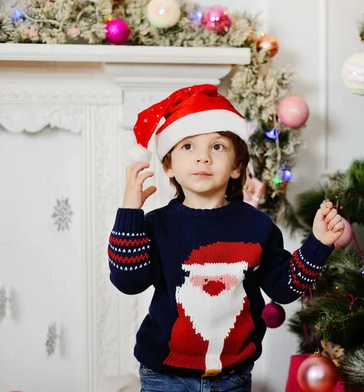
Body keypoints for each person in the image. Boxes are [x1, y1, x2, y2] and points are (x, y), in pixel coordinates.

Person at [107, 84, 345, 391]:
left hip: (232, 377)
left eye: (217, 147)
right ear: (168, 166)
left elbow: (284, 288)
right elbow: (128, 282)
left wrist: (319, 243)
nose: (203, 158)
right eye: (188, 147)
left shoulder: (256, 225)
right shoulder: (157, 225)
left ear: (236, 167)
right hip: (164, 376)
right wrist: (130, 210)